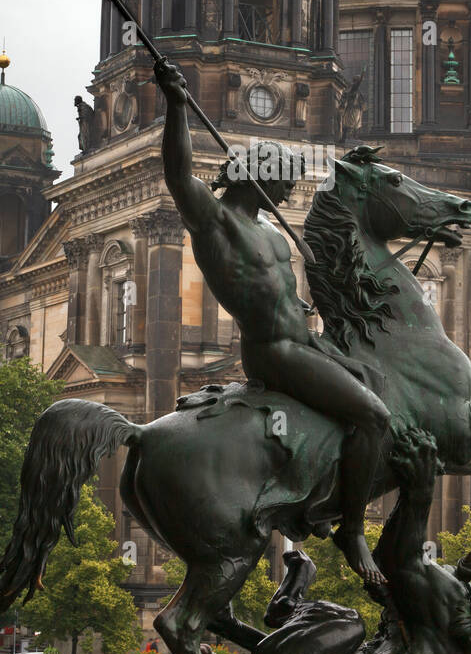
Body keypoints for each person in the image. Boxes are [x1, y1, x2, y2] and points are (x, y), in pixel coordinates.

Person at [155, 57, 391, 582]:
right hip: (277, 353)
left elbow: (290, 297)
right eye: (284, 180)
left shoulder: (271, 232)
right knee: (374, 417)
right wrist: (176, 105)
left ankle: (318, 495)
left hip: (304, 343)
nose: (289, 192)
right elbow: (177, 174)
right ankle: (353, 532)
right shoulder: (219, 224)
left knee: (383, 384)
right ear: (260, 177)